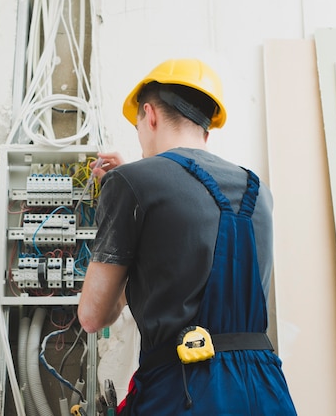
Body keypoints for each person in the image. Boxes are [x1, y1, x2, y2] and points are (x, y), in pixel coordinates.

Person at [78, 58, 297, 415]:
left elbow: (93, 316)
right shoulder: (259, 191)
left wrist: (123, 194)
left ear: (149, 115)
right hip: (267, 391)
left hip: (185, 391)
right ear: (206, 129)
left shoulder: (130, 183)